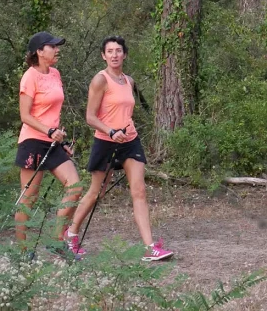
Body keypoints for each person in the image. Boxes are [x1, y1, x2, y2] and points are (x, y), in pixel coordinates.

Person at [66, 36, 174, 261]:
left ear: (125, 54)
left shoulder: (129, 81)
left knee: (139, 191)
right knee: (97, 192)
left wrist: (123, 131)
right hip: (106, 140)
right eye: (110, 51)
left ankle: (150, 247)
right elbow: (90, 117)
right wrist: (111, 131)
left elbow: (126, 111)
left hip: (130, 140)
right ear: (103, 55)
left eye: (118, 51)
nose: (114, 55)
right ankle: (71, 234)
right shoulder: (100, 80)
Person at [14, 31, 85, 257]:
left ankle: (56, 241)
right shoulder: (29, 77)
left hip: (53, 142)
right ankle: (23, 251)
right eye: (52, 46)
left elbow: (52, 110)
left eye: (57, 46)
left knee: (75, 186)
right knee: (28, 199)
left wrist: (59, 136)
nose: (57, 50)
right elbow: (25, 115)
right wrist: (49, 131)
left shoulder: (55, 73)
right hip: (32, 141)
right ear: (39, 51)